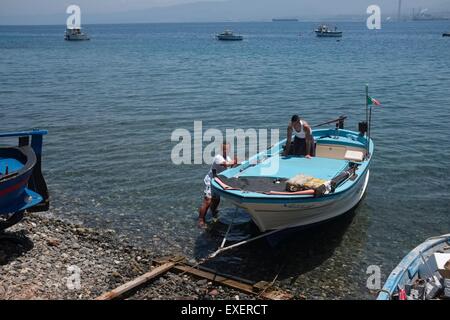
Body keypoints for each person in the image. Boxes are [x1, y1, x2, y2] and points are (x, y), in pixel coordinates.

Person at [198, 143, 236, 228]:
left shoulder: (228, 158)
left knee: (216, 200)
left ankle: (213, 212)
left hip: (218, 181)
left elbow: (230, 168)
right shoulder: (218, 157)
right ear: (221, 149)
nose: (226, 151)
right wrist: (233, 162)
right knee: (207, 201)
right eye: (225, 149)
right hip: (211, 181)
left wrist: (235, 164)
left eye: (228, 149)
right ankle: (201, 220)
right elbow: (224, 164)